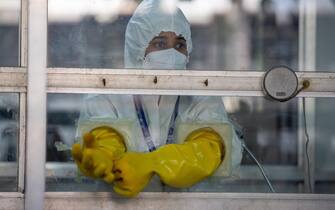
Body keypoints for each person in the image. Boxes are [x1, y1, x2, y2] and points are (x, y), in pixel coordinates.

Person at [72, 0, 242, 197]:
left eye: (179, 44)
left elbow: (211, 147)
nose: (171, 54)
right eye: (160, 43)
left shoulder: (200, 99)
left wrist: (153, 163)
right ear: (137, 48)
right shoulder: (106, 97)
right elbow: (106, 134)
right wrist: (104, 153)